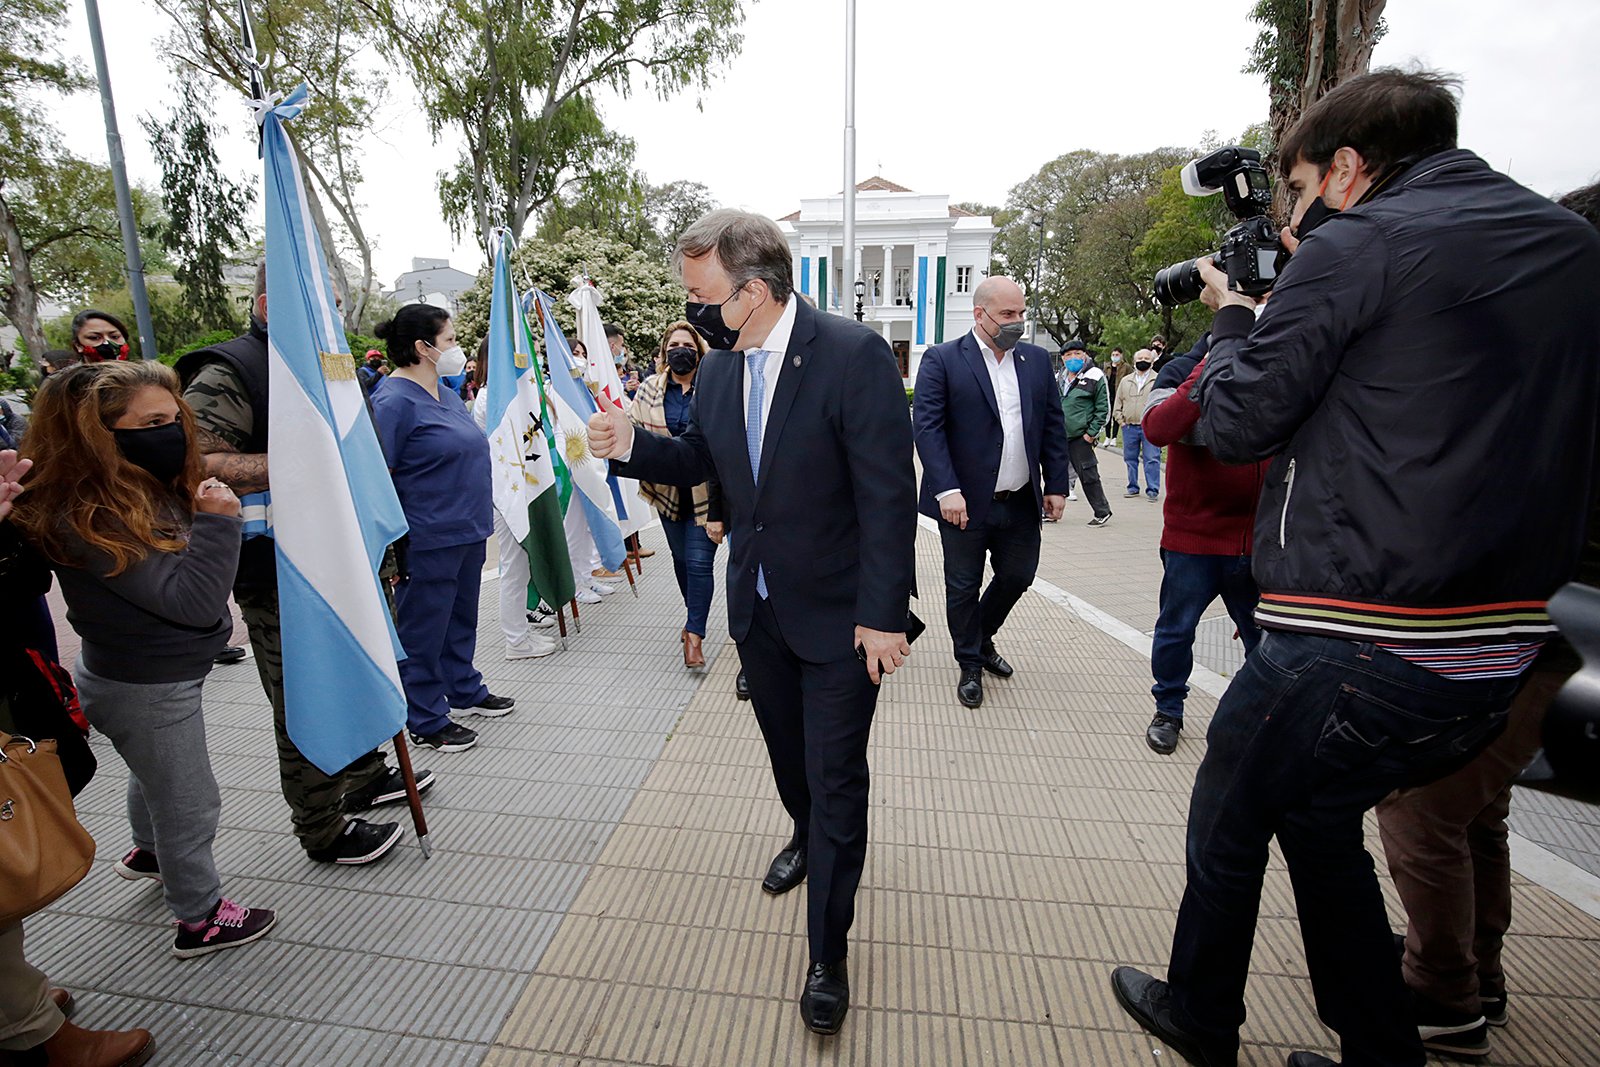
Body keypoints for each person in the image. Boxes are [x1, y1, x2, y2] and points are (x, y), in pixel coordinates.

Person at [1110, 70, 1600, 1067]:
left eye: (1294, 190)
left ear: (1345, 168)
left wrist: (1242, 307)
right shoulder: (1568, 245)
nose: (1289, 214)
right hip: (1504, 638)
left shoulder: (1359, 243)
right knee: (1314, 809)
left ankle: (1201, 1009)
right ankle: (1381, 1045)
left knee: (1231, 802)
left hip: (1357, 627)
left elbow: (1238, 416)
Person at [587, 208, 916, 1036]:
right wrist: (630, 442)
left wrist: (883, 616)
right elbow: (704, 461)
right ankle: (803, 831)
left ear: (754, 292)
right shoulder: (725, 370)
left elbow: (887, 496)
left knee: (838, 778)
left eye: (701, 295)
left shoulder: (852, 355)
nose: (690, 312)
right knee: (790, 762)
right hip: (760, 612)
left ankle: (827, 952)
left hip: (844, 621)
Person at [1371, 179, 1600, 1061]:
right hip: (1549, 622)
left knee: (1422, 808)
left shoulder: (1557, 363)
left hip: (1537, 622)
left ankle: (1442, 1004)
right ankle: (1478, 970)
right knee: (1478, 812)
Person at [14, 362, 278, 957]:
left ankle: (148, 851)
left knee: (151, 772)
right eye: (154, 421)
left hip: (134, 677)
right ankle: (200, 916)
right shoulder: (93, 511)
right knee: (189, 799)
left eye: (176, 415)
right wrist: (218, 523)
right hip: (146, 685)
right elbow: (189, 601)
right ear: (97, 433)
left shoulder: (126, 486)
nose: (175, 431)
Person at [178, 263, 423, 866]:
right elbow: (198, 460)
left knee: (358, 668)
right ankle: (321, 825)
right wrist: (295, 460)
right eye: (321, 304)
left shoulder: (333, 366)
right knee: (306, 696)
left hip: (345, 556)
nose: (333, 317)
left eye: (337, 305)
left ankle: (364, 775)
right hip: (281, 570)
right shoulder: (229, 369)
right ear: (268, 305)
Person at [914, 275, 1071, 709]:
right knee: (962, 586)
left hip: (1020, 499)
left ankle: (980, 637)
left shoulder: (1037, 361)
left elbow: (1053, 427)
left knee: (1019, 576)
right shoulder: (942, 360)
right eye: (1008, 315)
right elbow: (928, 428)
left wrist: (1056, 484)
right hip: (963, 504)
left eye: (1021, 313)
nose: (1017, 322)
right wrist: (947, 489)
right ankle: (969, 661)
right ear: (979, 315)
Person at [371, 304, 514, 754]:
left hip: (467, 529)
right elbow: (380, 474)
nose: (458, 349)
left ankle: (464, 687)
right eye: (450, 340)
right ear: (422, 347)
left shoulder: (446, 394)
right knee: (423, 627)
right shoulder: (392, 401)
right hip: (427, 535)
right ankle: (426, 715)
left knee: (460, 617)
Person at [1138, 336, 1267, 756]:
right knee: (1176, 631)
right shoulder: (1180, 370)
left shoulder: (1276, 363)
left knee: (1266, 640)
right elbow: (1158, 428)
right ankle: (1169, 709)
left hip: (1257, 540)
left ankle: (1262, 718)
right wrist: (1211, 363)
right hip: (1192, 537)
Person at [626, 321, 721, 668]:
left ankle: (694, 634)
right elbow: (634, 430)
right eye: (674, 345)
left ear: (699, 351)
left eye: (688, 345)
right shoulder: (650, 388)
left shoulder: (712, 386)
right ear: (665, 352)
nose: (680, 350)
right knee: (682, 562)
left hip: (704, 494)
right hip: (667, 493)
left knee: (699, 563)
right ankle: (691, 617)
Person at [470, 339, 558, 663]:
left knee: (521, 566)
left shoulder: (503, 396)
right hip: (506, 494)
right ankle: (516, 640)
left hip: (518, 490)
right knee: (514, 567)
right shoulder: (490, 399)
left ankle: (520, 629)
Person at [563, 339, 624, 596]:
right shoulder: (555, 390)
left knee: (589, 527)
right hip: (569, 467)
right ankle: (575, 584)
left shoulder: (584, 389)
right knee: (573, 530)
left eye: (583, 354)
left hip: (590, 463)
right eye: (575, 353)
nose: (580, 358)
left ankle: (587, 576)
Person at [1057, 339, 1113, 528]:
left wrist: (1091, 433)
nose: (1073, 358)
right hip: (1059, 435)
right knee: (1054, 474)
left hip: (1081, 437)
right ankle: (1050, 510)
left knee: (1088, 475)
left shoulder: (1095, 375)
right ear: (1063, 358)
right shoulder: (1060, 377)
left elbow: (1103, 408)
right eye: (1068, 355)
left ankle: (1102, 511)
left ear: (1085, 355)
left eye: (1077, 354)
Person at [1114, 349, 1161, 500]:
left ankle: (1153, 489)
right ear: (1134, 361)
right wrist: (1120, 421)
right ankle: (1132, 486)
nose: (1143, 360)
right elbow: (1118, 402)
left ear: (1152, 361)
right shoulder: (1126, 380)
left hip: (1150, 426)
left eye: (1147, 358)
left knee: (1152, 458)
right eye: (1140, 357)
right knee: (1130, 458)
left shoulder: (1158, 379)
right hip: (1129, 427)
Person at [1104, 347, 1130, 443]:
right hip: (1108, 392)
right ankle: (1107, 436)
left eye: (1117, 355)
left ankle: (1114, 437)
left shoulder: (1126, 367)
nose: (1115, 357)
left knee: (1116, 414)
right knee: (1108, 414)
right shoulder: (1107, 366)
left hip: (1119, 393)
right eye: (1113, 355)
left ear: (1121, 355)